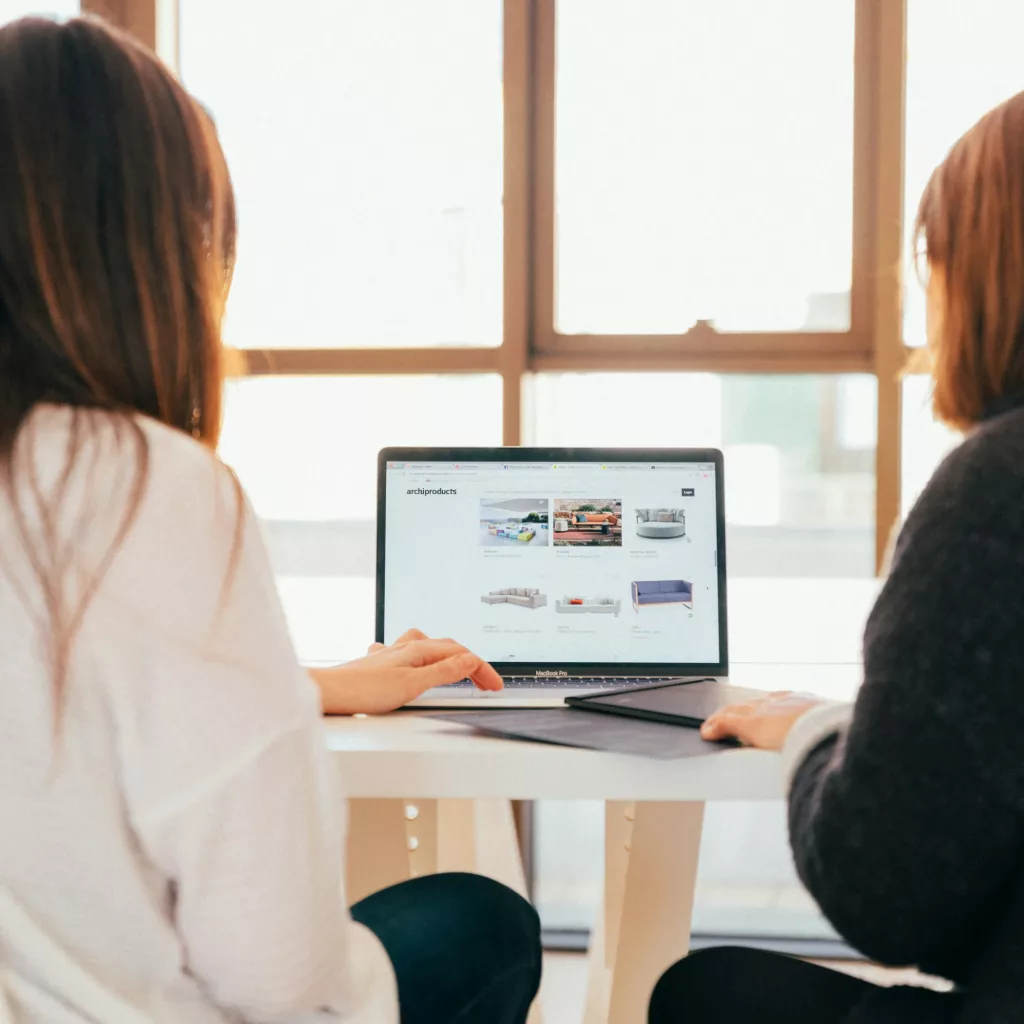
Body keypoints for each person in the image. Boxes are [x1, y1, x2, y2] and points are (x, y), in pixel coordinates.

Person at [0, 15, 541, 1024]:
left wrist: (315, 686)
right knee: (483, 922)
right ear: (156, 248)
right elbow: (279, 976)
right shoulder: (142, 489)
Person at [649, 89, 1024, 1024]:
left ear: (977, 276)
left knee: (705, 995)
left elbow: (886, 893)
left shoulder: (998, 490)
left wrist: (821, 734)